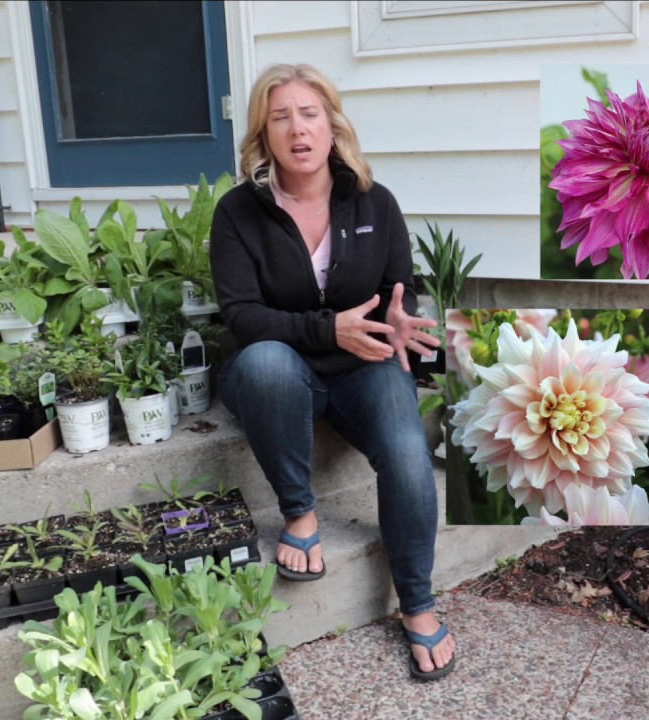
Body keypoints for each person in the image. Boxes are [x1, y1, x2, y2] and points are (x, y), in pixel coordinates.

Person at [210, 63, 455, 681]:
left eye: (309, 113)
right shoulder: (238, 213)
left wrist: (402, 324)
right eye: (280, 116)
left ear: (332, 124)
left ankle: (418, 603)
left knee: (406, 455)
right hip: (276, 369)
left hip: (361, 367)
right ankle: (300, 514)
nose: (298, 129)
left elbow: (401, 291)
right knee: (265, 363)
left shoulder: (375, 201)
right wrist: (327, 329)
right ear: (263, 136)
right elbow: (241, 316)